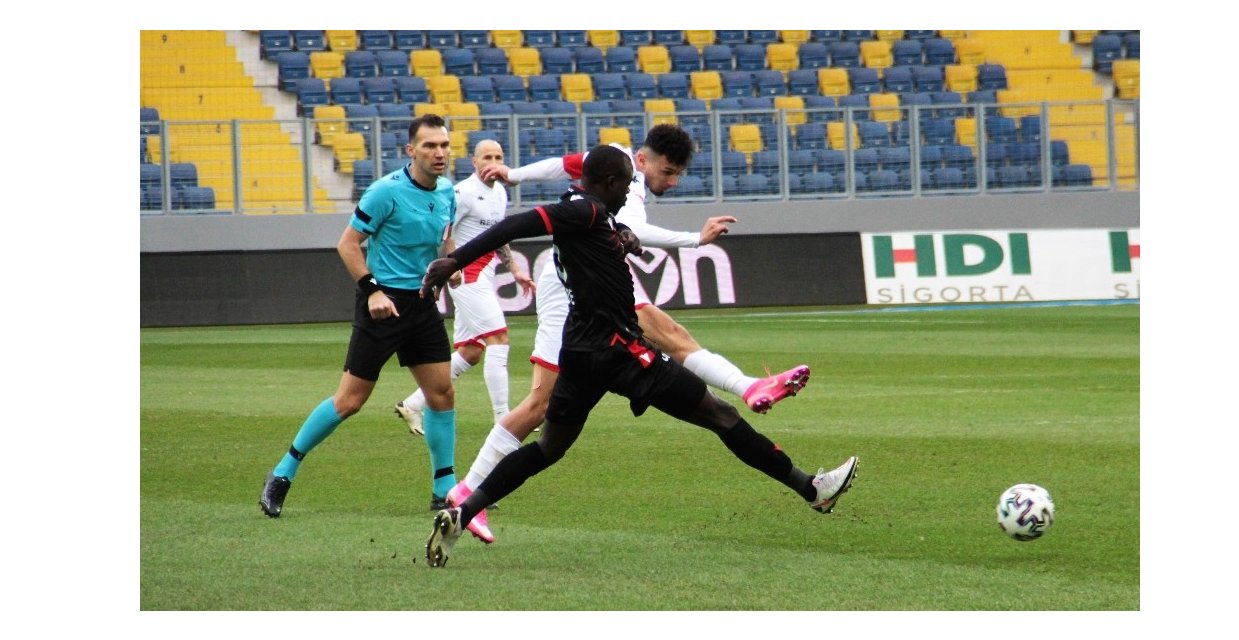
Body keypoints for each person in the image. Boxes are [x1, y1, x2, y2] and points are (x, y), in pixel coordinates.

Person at [422, 145, 858, 568]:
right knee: (721, 415)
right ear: (610, 183)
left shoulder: (589, 210)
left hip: (581, 351)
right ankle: (812, 489)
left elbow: (587, 236)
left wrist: (620, 239)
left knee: (549, 447)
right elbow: (517, 225)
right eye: (626, 185)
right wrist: (453, 260)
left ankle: (463, 511)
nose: (630, 193)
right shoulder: (586, 212)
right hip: (622, 352)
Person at [259, 113, 461, 517]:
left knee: (442, 394)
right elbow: (348, 245)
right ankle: (282, 473)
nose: (439, 153)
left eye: (443, 145)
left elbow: (446, 239)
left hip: (422, 304)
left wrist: (450, 267)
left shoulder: (447, 192)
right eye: (429, 146)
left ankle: (445, 489)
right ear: (411, 151)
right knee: (350, 401)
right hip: (382, 306)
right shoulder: (384, 192)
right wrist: (372, 292)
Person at [393, 139, 536, 436]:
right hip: (465, 274)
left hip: (483, 273)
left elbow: (498, 235)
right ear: (474, 161)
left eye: (498, 156)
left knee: (471, 351)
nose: (492, 161)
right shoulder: (463, 194)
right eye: (487, 156)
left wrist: (515, 269)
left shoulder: (499, 192)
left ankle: (413, 404)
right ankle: (504, 419)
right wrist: (444, 267)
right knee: (499, 339)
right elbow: (441, 231)